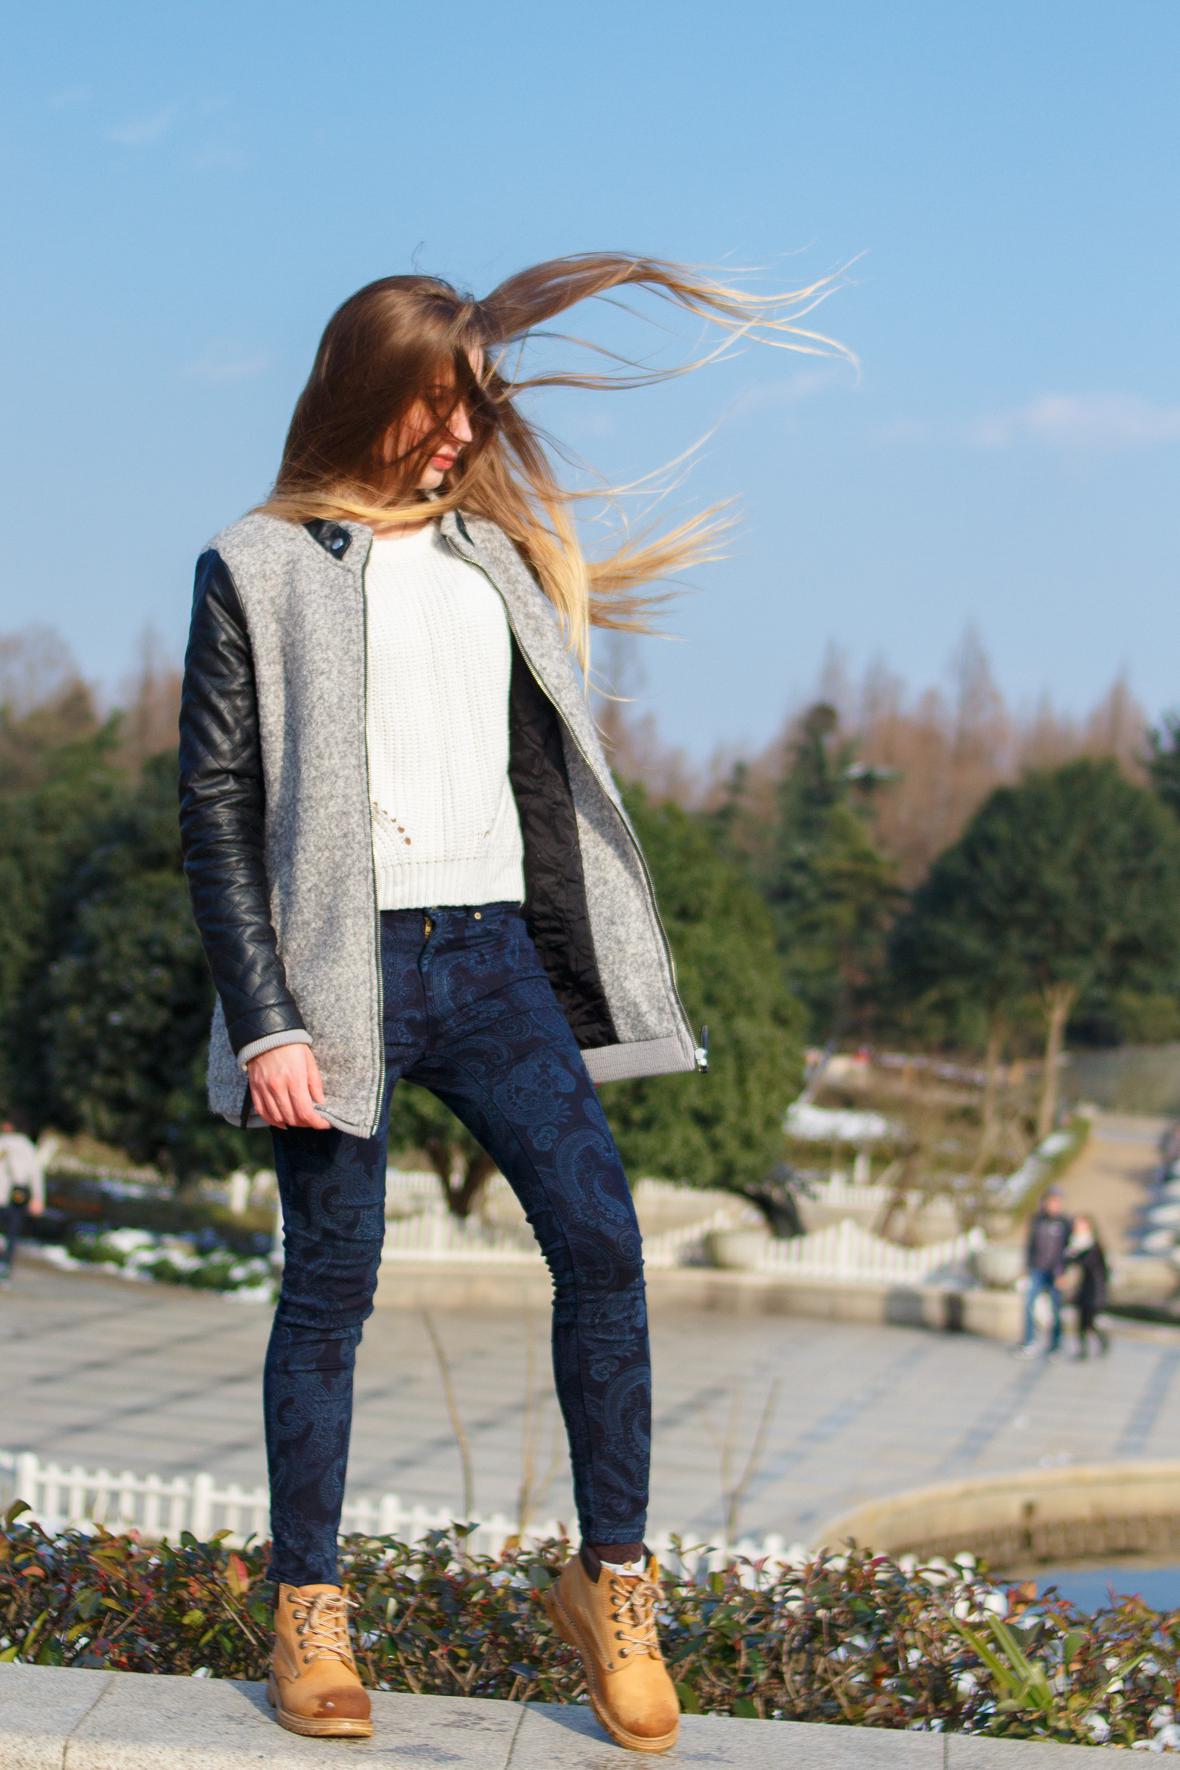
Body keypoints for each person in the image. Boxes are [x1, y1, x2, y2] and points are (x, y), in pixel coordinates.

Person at [177, 252, 853, 1751]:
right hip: (340, 972)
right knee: (332, 1284)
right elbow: (216, 816)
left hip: (490, 961)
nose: (455, 436)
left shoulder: (497, 560)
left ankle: (611, 1584)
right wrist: (267, 1017)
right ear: (359, 392)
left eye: (472, 407)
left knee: (604, 1246)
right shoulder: (256, 565)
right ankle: (308, 1611)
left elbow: (546, 782)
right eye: (430, 405)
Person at [1013, 1185, 1074, 1358]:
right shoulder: (1037, 1220)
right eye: (1051, 1201)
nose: (1054, 1205)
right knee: (1029, 1304)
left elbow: (1068, 1250)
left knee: (1056, 1308)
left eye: (1057, 1201)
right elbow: (1030, 1245)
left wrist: (1063, 1272)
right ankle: (1029, 1341)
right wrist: (1026, 1266)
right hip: (1037, 1268)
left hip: (1056, 1271)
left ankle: (1056, 1345)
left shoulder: (1065, 1222)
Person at [0, 1119, 45, 1281]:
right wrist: (38, 1198)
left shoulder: (4, 1143)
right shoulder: (28, 1147)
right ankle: (5, 1265)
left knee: (10, 1231)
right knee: (12, 1232)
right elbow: (35, 1173)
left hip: (5, 1194)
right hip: (17, 1195)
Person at [1063, 1214, 1111, 1359]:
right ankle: (1083, 1351)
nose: (1077, 1227)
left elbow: (1088, 1263)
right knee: (1080, 1321)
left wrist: (1072, 1255)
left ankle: (1102, 1340)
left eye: (1081, 1224)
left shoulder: (1092, 1244)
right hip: (1084, 1287)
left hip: (1095, 1288)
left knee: (1089, 1322)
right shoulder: (1075, 1243)